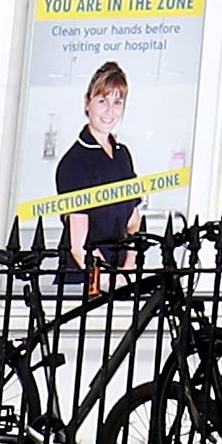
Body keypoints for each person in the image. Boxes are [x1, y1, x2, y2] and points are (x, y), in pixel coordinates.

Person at [52, 58, 142, 284]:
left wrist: (128, 266)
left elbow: (133, 220)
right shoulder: (74, 163)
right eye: (102, 100)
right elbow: (78, 245)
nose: (110, 111)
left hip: (120, 278)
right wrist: (107, 278)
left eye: (118, 102)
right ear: (87, 102)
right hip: (85, 281)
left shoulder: (122, 155)